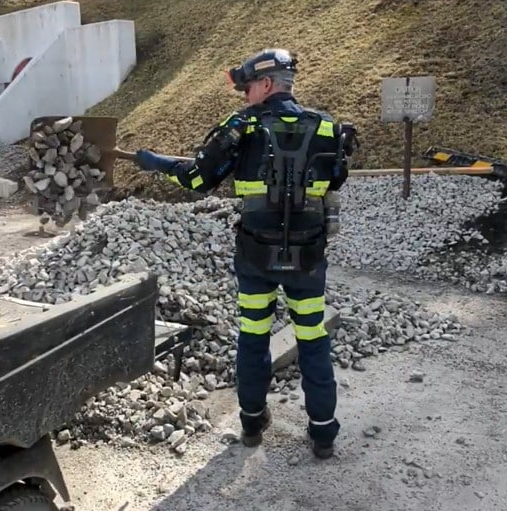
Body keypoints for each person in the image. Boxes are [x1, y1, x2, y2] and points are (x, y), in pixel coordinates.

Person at [134, 48, 358, 458]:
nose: (245, 96)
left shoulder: (242, 126)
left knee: (254, 336)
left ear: (267, 84)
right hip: (308, 258)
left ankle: (253, 423)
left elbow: (197, 179)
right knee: (312, 338)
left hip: (255, 256)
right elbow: (337, 178)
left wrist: (156, 163)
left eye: (248, 87)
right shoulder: (328, 127)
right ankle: (323, 434)